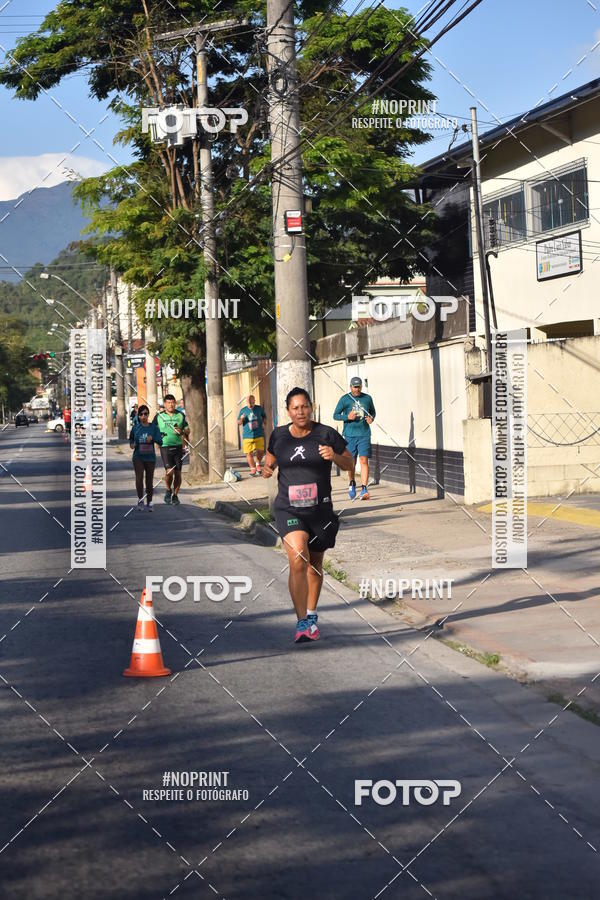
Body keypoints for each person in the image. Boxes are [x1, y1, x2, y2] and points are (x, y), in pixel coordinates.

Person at [263, 387, 354, 643]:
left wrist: (334, 456)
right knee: (298, 559)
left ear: (310, 407)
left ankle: (311, 614)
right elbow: (270, 458)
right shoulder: (279, 435)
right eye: (295, 408)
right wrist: (267, 468)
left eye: (304, 406)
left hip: (320, 510)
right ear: (288, 411)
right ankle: (301, 622)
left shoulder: (326, 433)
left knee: (314, 564)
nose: (300, 411)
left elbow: (350, 463)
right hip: (289, 509)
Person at [333, 376, 376, 501]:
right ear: (350, 386)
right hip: (350, 435)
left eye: (359, 387)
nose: (357, 389)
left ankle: (364, 489)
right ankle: (352, 483)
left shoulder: (367, 398)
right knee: (351, 462)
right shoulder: (345, 399)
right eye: (355, 387)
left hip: (364, 434)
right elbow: (335, 415)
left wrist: (371, 418)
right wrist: (347, 417)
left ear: (361, 387)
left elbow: (373, 412)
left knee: (364, 460)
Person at [153, 394, 190, 505]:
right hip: (165, 447)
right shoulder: (159, 416)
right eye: (168, 403)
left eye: (172, 402)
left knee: (178, 474)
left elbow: (187, 429)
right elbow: (152, 428)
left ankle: (175, 496)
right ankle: (168, 490)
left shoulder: (180, 415)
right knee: (169, 472)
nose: (171, 405)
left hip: (178, 447)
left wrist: (182, 431)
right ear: (164, 404)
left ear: (175, 403)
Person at [129, 404, 162, 511]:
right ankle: (140, 499)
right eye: (141, 414)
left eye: (146, 414)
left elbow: (160, 441)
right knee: (139, 479)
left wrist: (152, 438)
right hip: (138, 457)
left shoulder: (153, 427)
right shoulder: (135, 428)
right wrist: (132, 445)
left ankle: (150, 501)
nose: (144, 416)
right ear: (138, 416)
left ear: (148, 415)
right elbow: (131, 440)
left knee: (149, 480)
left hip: (150, 457)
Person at [238, 395, 267, 475]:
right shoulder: (243, 410)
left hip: (259, 434)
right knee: (248, 453)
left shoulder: (259, 408)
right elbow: (238, 423)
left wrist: (264, 423)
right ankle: (253, 468)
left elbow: (264, 416)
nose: (251, 405)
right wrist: (242, 419)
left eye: (252, 403)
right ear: (246, 402)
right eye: (249, 403)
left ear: (254, 401)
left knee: (261, 451)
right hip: (247, 436)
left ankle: (257, 464)